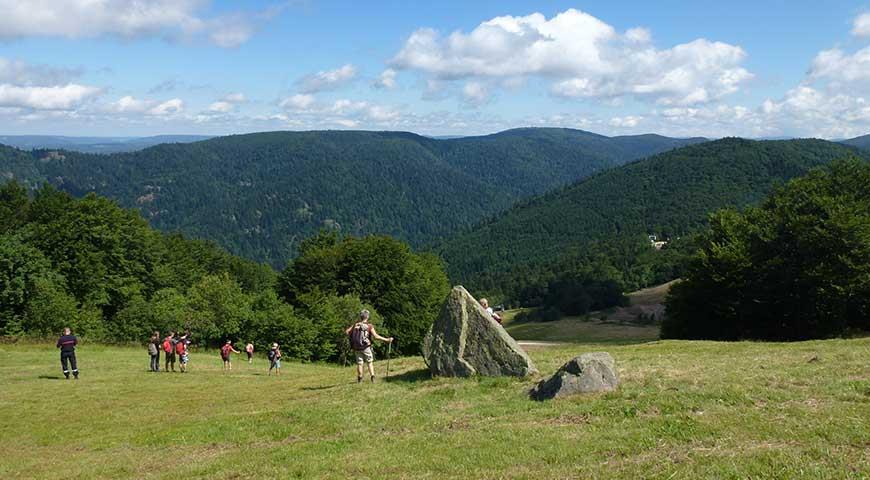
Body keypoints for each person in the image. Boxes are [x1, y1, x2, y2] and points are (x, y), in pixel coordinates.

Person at [345, 309, 393, 383]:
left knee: (360, 363)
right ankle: (372, 378)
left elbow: (347, 332)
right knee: (369, 362)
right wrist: (387, 340)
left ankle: (360, 379)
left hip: (357, 347)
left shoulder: (356, 324)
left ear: (361, 316)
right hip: (366, 346)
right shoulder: (369, 326)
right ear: (367, 317)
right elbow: (376, 336)